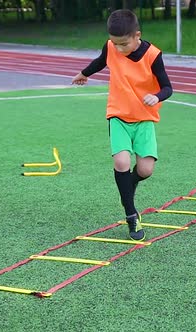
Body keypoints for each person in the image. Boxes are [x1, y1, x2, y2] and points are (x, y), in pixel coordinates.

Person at [71, 9, 173, 240]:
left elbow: (168, 87)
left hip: (144, 118)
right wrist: (84, 73)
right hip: (118, 115)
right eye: (115, 44)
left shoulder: (153, 55)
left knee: (145, 170)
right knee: (121, 161)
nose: (118, 49)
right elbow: (101, 61)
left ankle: (128, 187)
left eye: (123, 44)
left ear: (137, 35)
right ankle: (131, 215)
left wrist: (157, 96)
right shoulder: (111, 47)